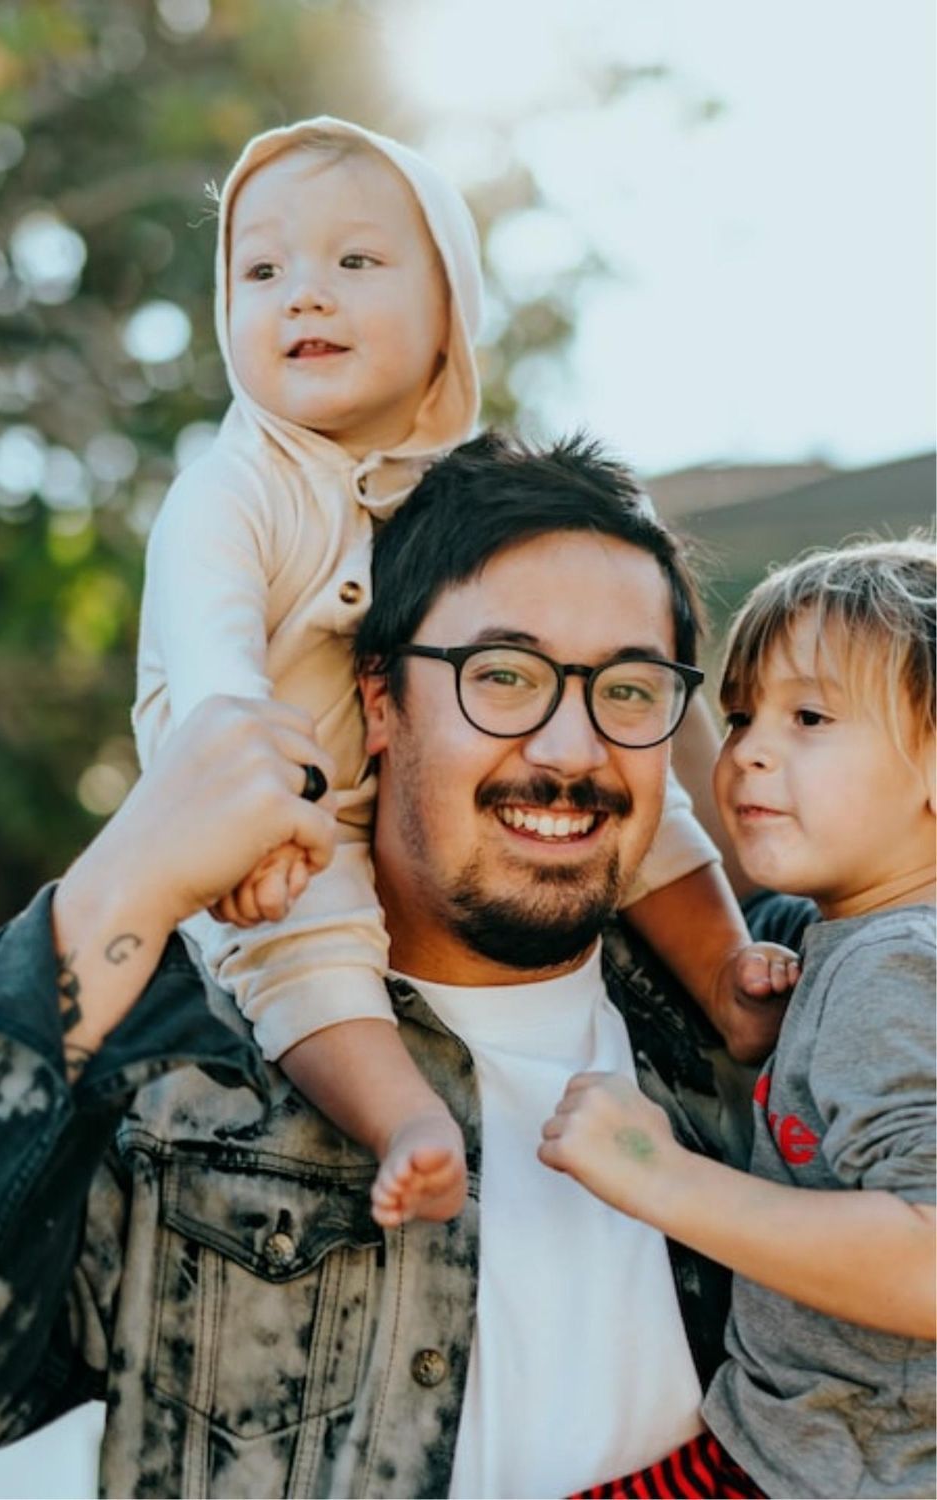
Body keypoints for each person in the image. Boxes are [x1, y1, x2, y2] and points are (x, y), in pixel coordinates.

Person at [0, 433, 771, 1497]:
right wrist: (116, 887)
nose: (571, 750)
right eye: (504, 675)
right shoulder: (186, 1073)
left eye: (628, 691)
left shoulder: (769, 1046)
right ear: (381, 700)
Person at [134, 117, 789, 1228]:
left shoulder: (468, 497)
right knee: (307, 951)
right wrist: (252, 826)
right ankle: (406, 1120)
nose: (304, 295)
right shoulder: (234, 489)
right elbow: (216, 681)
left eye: (354, 262)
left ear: (451, 312)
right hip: (272, 818)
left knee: (641, 793)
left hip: (380, 796)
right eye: (262, 270)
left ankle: (728, 977)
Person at [543, 537, 937, 1499]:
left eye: (809, 716)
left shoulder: (890, 966)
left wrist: (655, 1175)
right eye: (739, 714)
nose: (750, 747)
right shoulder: (854, 945)